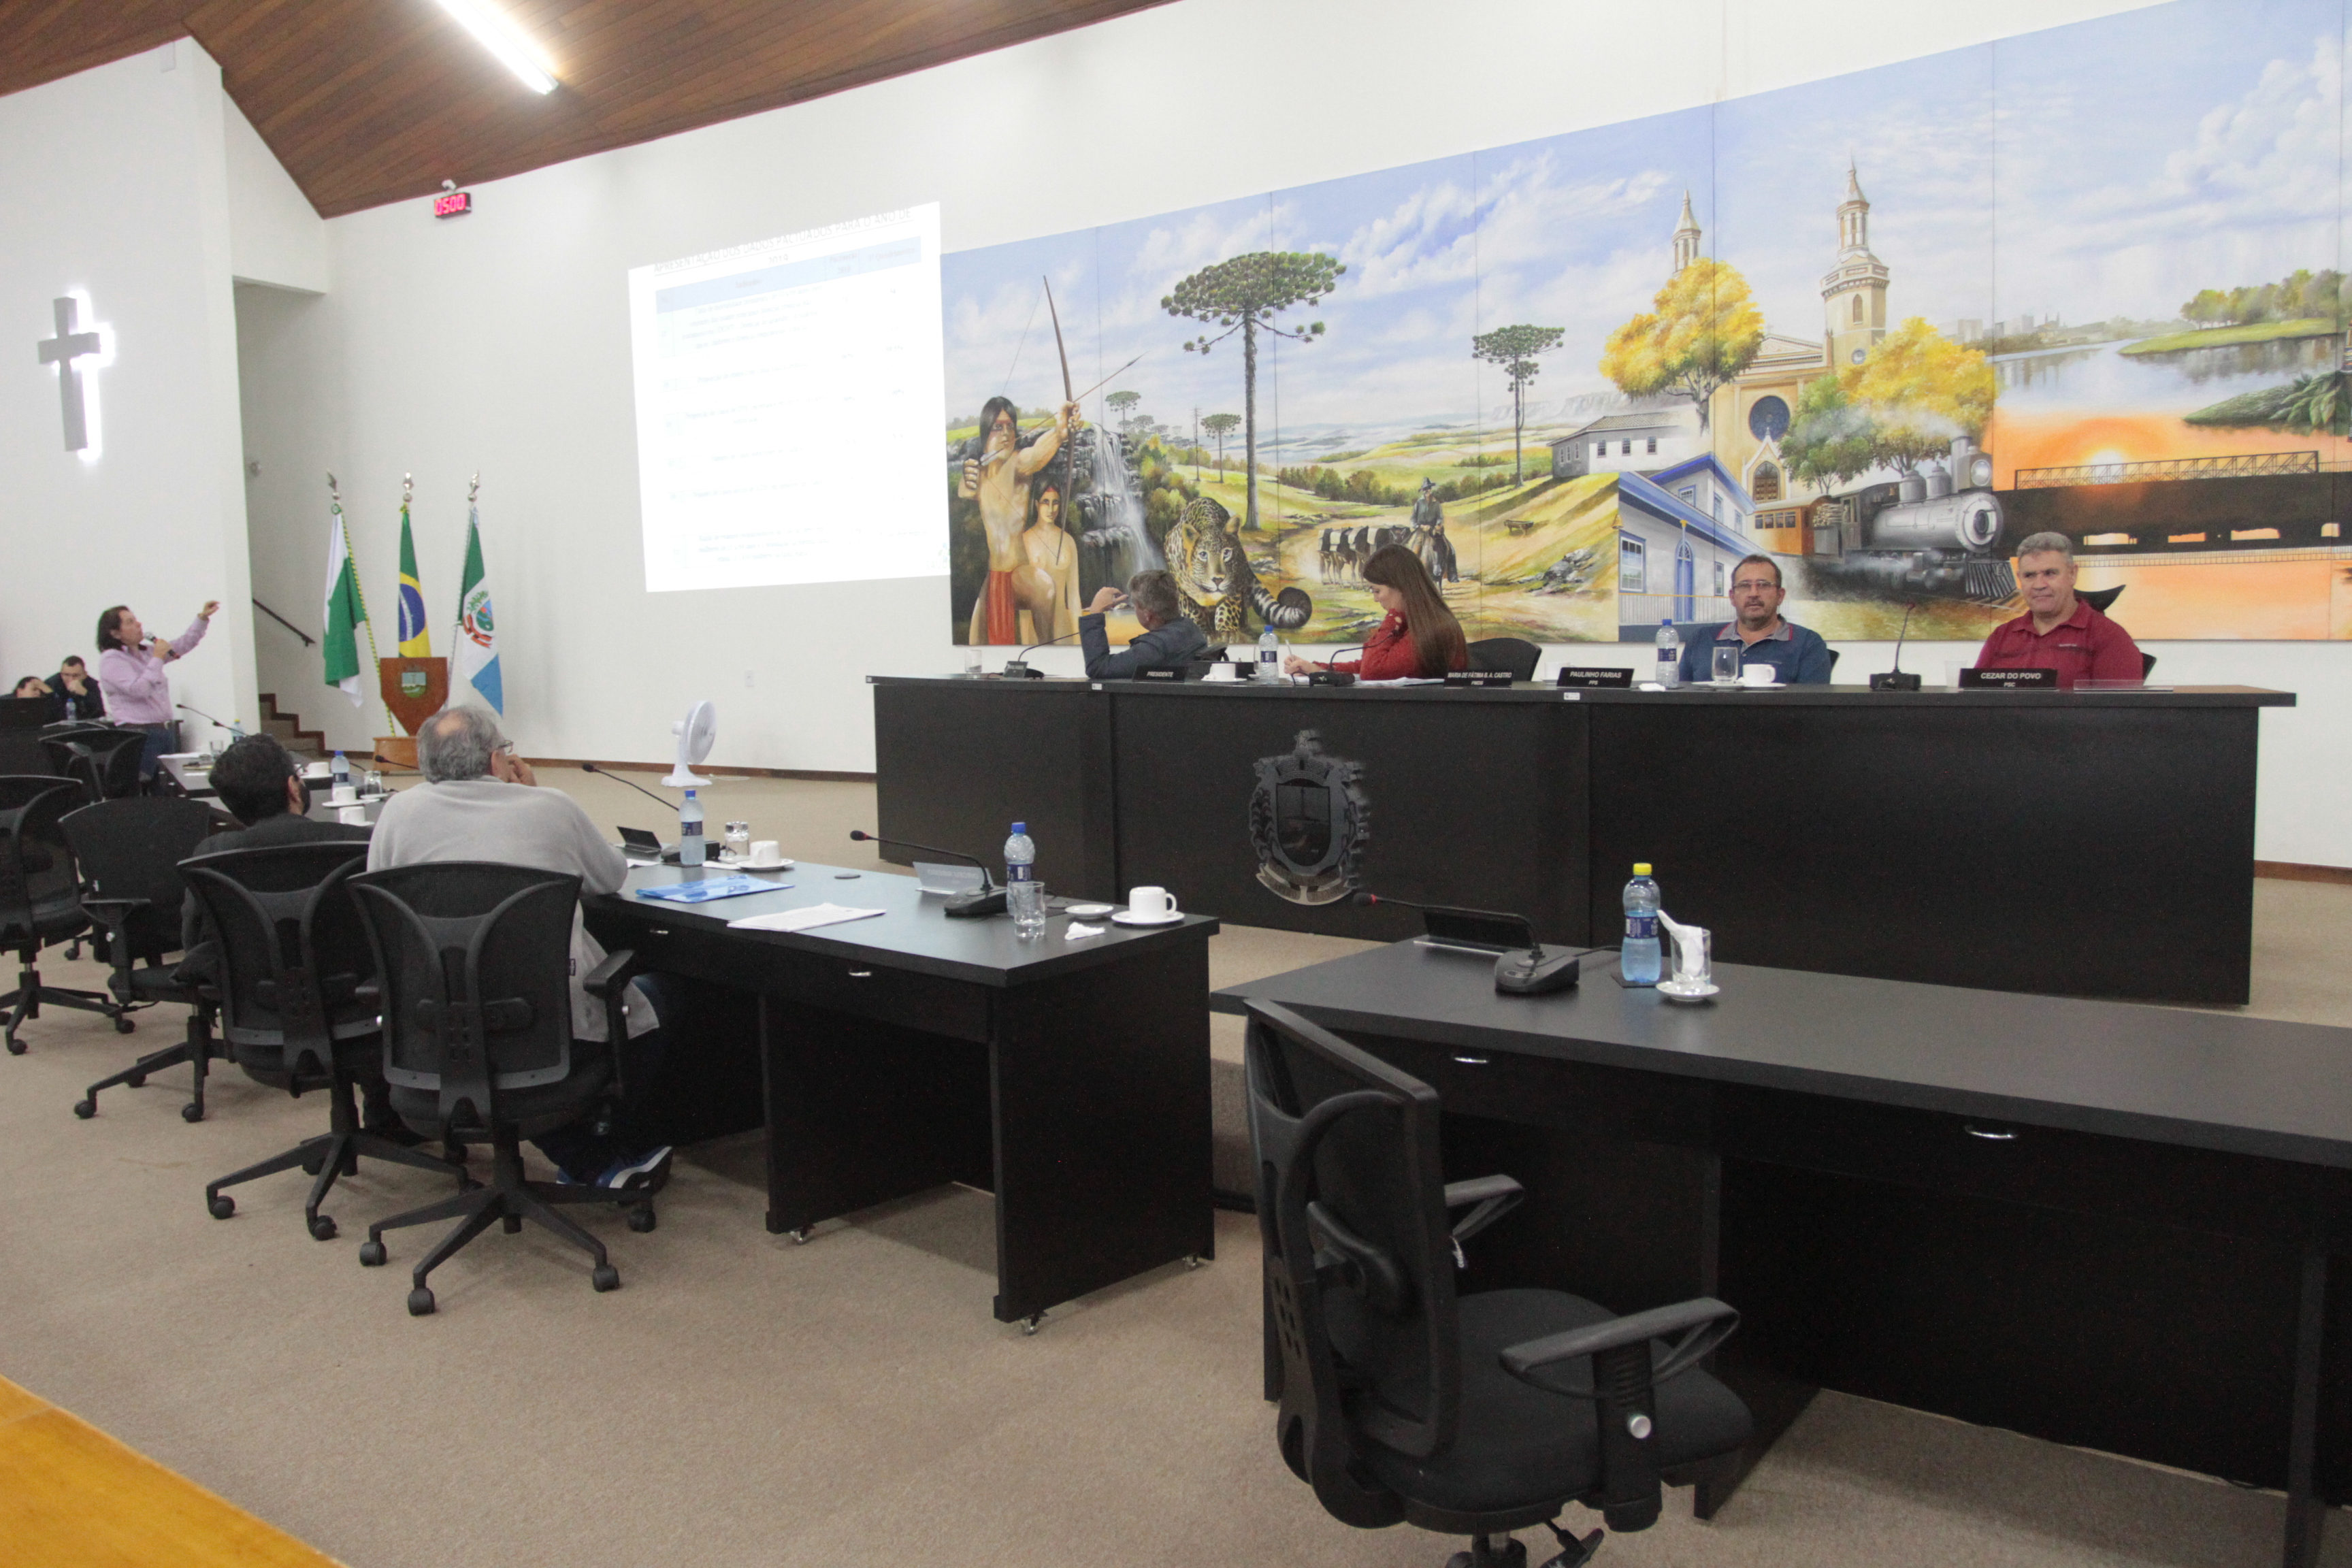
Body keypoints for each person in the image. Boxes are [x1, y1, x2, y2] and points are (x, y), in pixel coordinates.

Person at [366, 706, 672, 1192]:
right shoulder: (551, 807)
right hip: (540, 1019)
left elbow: (382, 898)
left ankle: (590, 1159)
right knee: (656, 1000)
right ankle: (595, 1157)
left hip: (434, 1019)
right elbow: (611, 876)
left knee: (528, 1052)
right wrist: (532, 795)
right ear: (497, 760)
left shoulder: (397, 814)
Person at [177, 734, 368, 975]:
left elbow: (193, 937)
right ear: (293, 788)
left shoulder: (212, 853)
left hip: (248, 986)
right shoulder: (357, 841)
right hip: (350, 982)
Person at [960, 396, 1079, 647]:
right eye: (998, 427)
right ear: (985, 432)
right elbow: (965, 491)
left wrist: (1059, 432)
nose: (1006, 434)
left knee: (1044, 588)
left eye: (1010, 427)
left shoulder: (1018, 464)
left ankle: (1048, 654)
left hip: (1017, 573)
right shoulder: (981, 473)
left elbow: (1036, 455)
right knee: (976, 641)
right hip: (994, 577)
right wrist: (967, 477)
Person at [1974, 532, 2144, 690]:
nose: (2039, 585)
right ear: (2020, 579)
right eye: (2030, 576)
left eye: (2050, 574)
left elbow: (2119, 709)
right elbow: (1974, 698)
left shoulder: (2109, 637)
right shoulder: (2002, 636)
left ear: (2072, 574)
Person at [1284, 543, 1468, 680]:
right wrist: (1316, 669)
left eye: (1377, 591)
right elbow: (1366, 666)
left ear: (1401, 587)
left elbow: (1374, 672)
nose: (1375, 599)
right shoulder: (1413, 623)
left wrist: (1392, 617)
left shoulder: (1433, 628)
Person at [96, 601, 218, 781]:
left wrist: (202, 618)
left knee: (168, 785)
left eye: (136, 620)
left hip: (162, 730)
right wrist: (158, 658)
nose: (139, 624)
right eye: (130, 622)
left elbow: (184, 644)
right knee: (146, 784)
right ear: (115, 633)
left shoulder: (146, 653)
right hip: (138, 733)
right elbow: (138, 690)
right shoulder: (112, 659)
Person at [1676, 554, 1834, 684]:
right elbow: (1679, 700)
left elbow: (1812, 708)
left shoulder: (1808, 644)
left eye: (1763, 585)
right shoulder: (1701, 640)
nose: (1753, 594)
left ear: (1780, 596)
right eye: (1745, 586)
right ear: (1732, 597)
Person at [1079, 570, 1207, 679]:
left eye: (1135, 605)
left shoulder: (1157, 647)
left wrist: (1095, 613)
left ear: (1147, 615)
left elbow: (1098, 668)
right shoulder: (1190, 629)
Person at [1011, 477, 1081, 646]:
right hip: (1035, 634)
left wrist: (1080, 640)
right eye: (1045, 502)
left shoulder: (1068, 541)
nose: (1051, 509)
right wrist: (1026, 642)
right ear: (1036, 504)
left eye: (1055, 502)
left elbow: (1074, 597)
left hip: (1064, 631)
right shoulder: (1024, 541)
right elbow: (1021, 605)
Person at [47, 656, 105, 721]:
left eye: (76, 675)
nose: (71, 679)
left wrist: (85, 694)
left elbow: (100, 713)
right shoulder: (51, 684)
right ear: (61, 674)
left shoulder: (92, 684)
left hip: (86, 724)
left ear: (85, 675)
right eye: (66, 675)